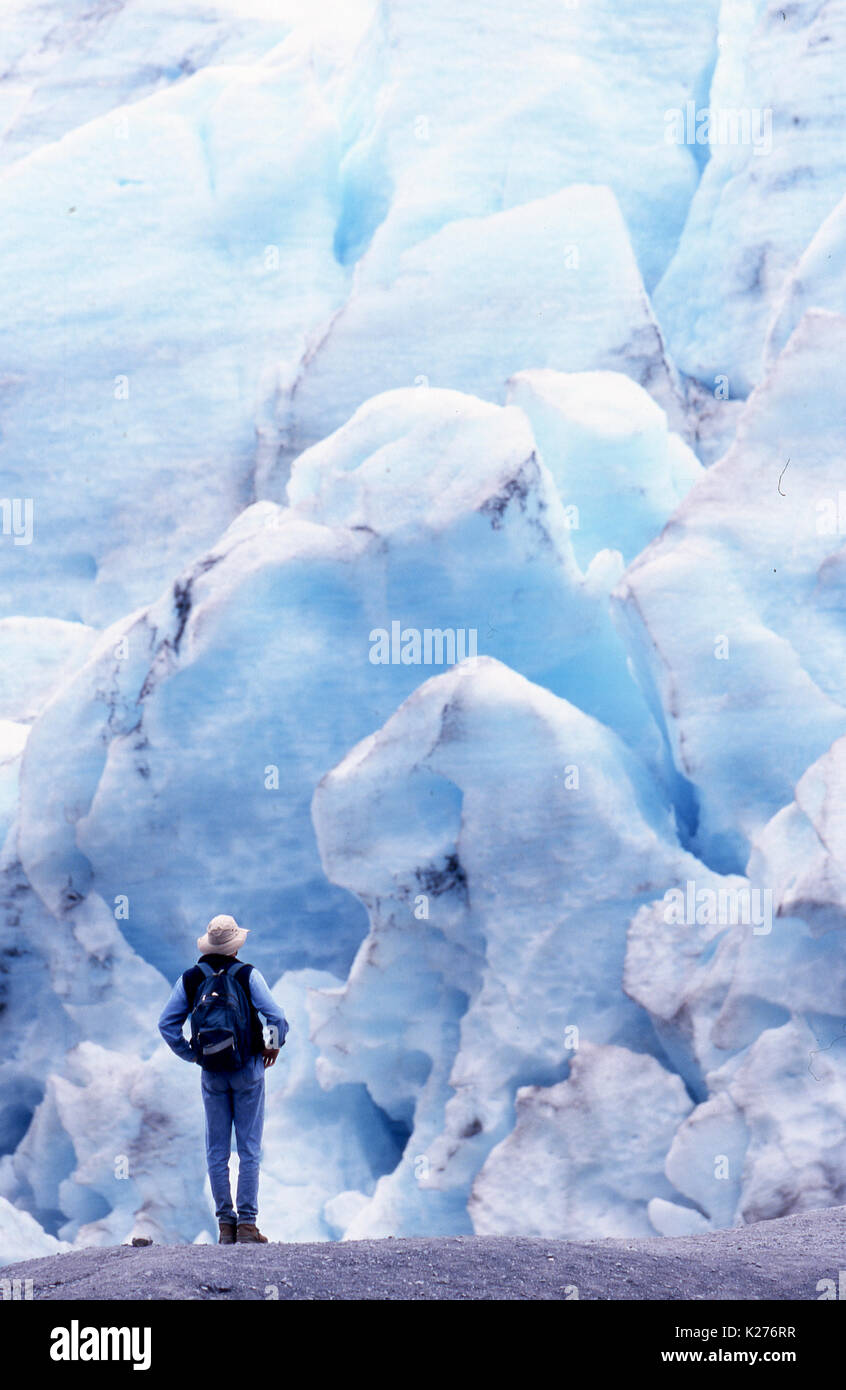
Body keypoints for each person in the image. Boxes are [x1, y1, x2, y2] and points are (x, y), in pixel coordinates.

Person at [158, 914, 289, 1245]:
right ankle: (247, 1224)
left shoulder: (191, 978)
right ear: (235, 946)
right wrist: (272, 1045)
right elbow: (276, 1016)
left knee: (216, 1150)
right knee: (249, 1148)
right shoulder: (247, 974)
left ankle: (225, 1226)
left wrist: (193, 1054)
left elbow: (167, 1024)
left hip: (212, 1074)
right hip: (248, 1068)